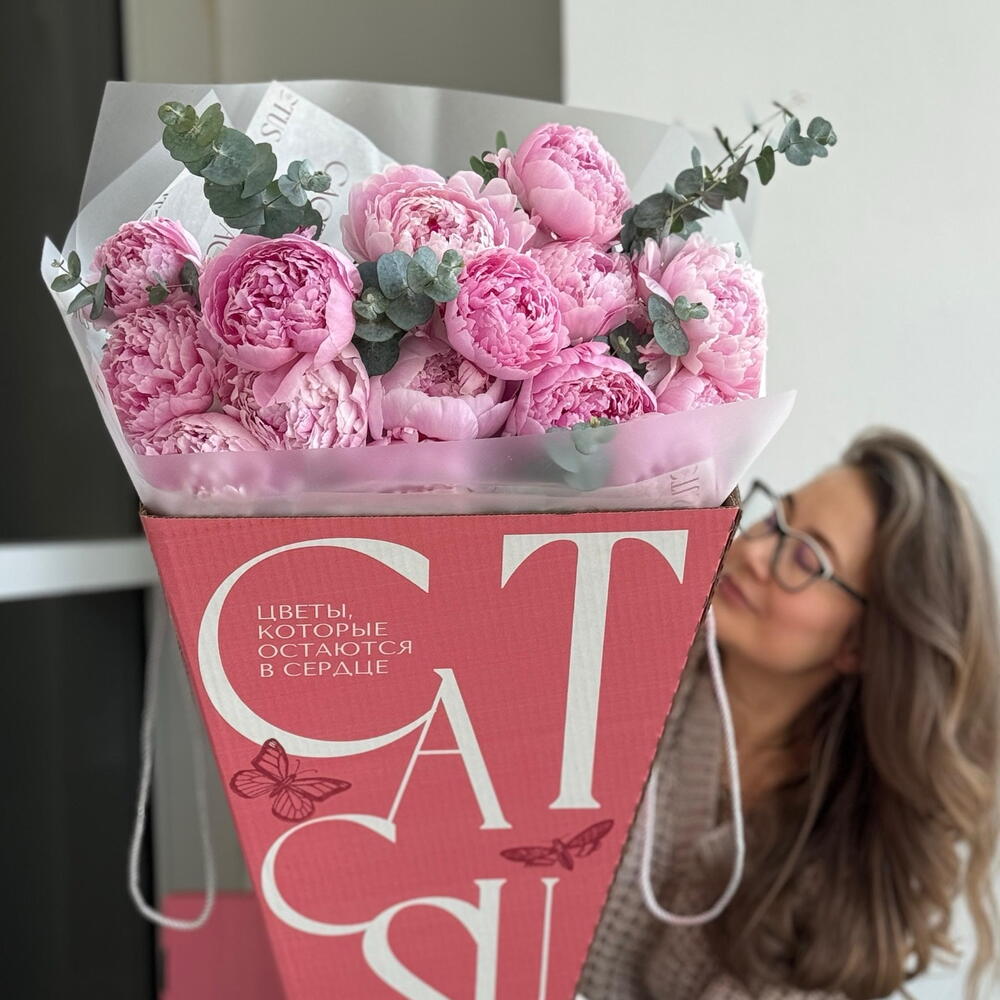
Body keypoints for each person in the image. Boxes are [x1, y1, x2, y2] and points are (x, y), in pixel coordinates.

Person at [578, 429, 1000, 1000]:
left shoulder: (846, 869)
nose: (753, 552)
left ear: (861, 646)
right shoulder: (616, 655)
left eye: (806, 557)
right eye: (777, 519)